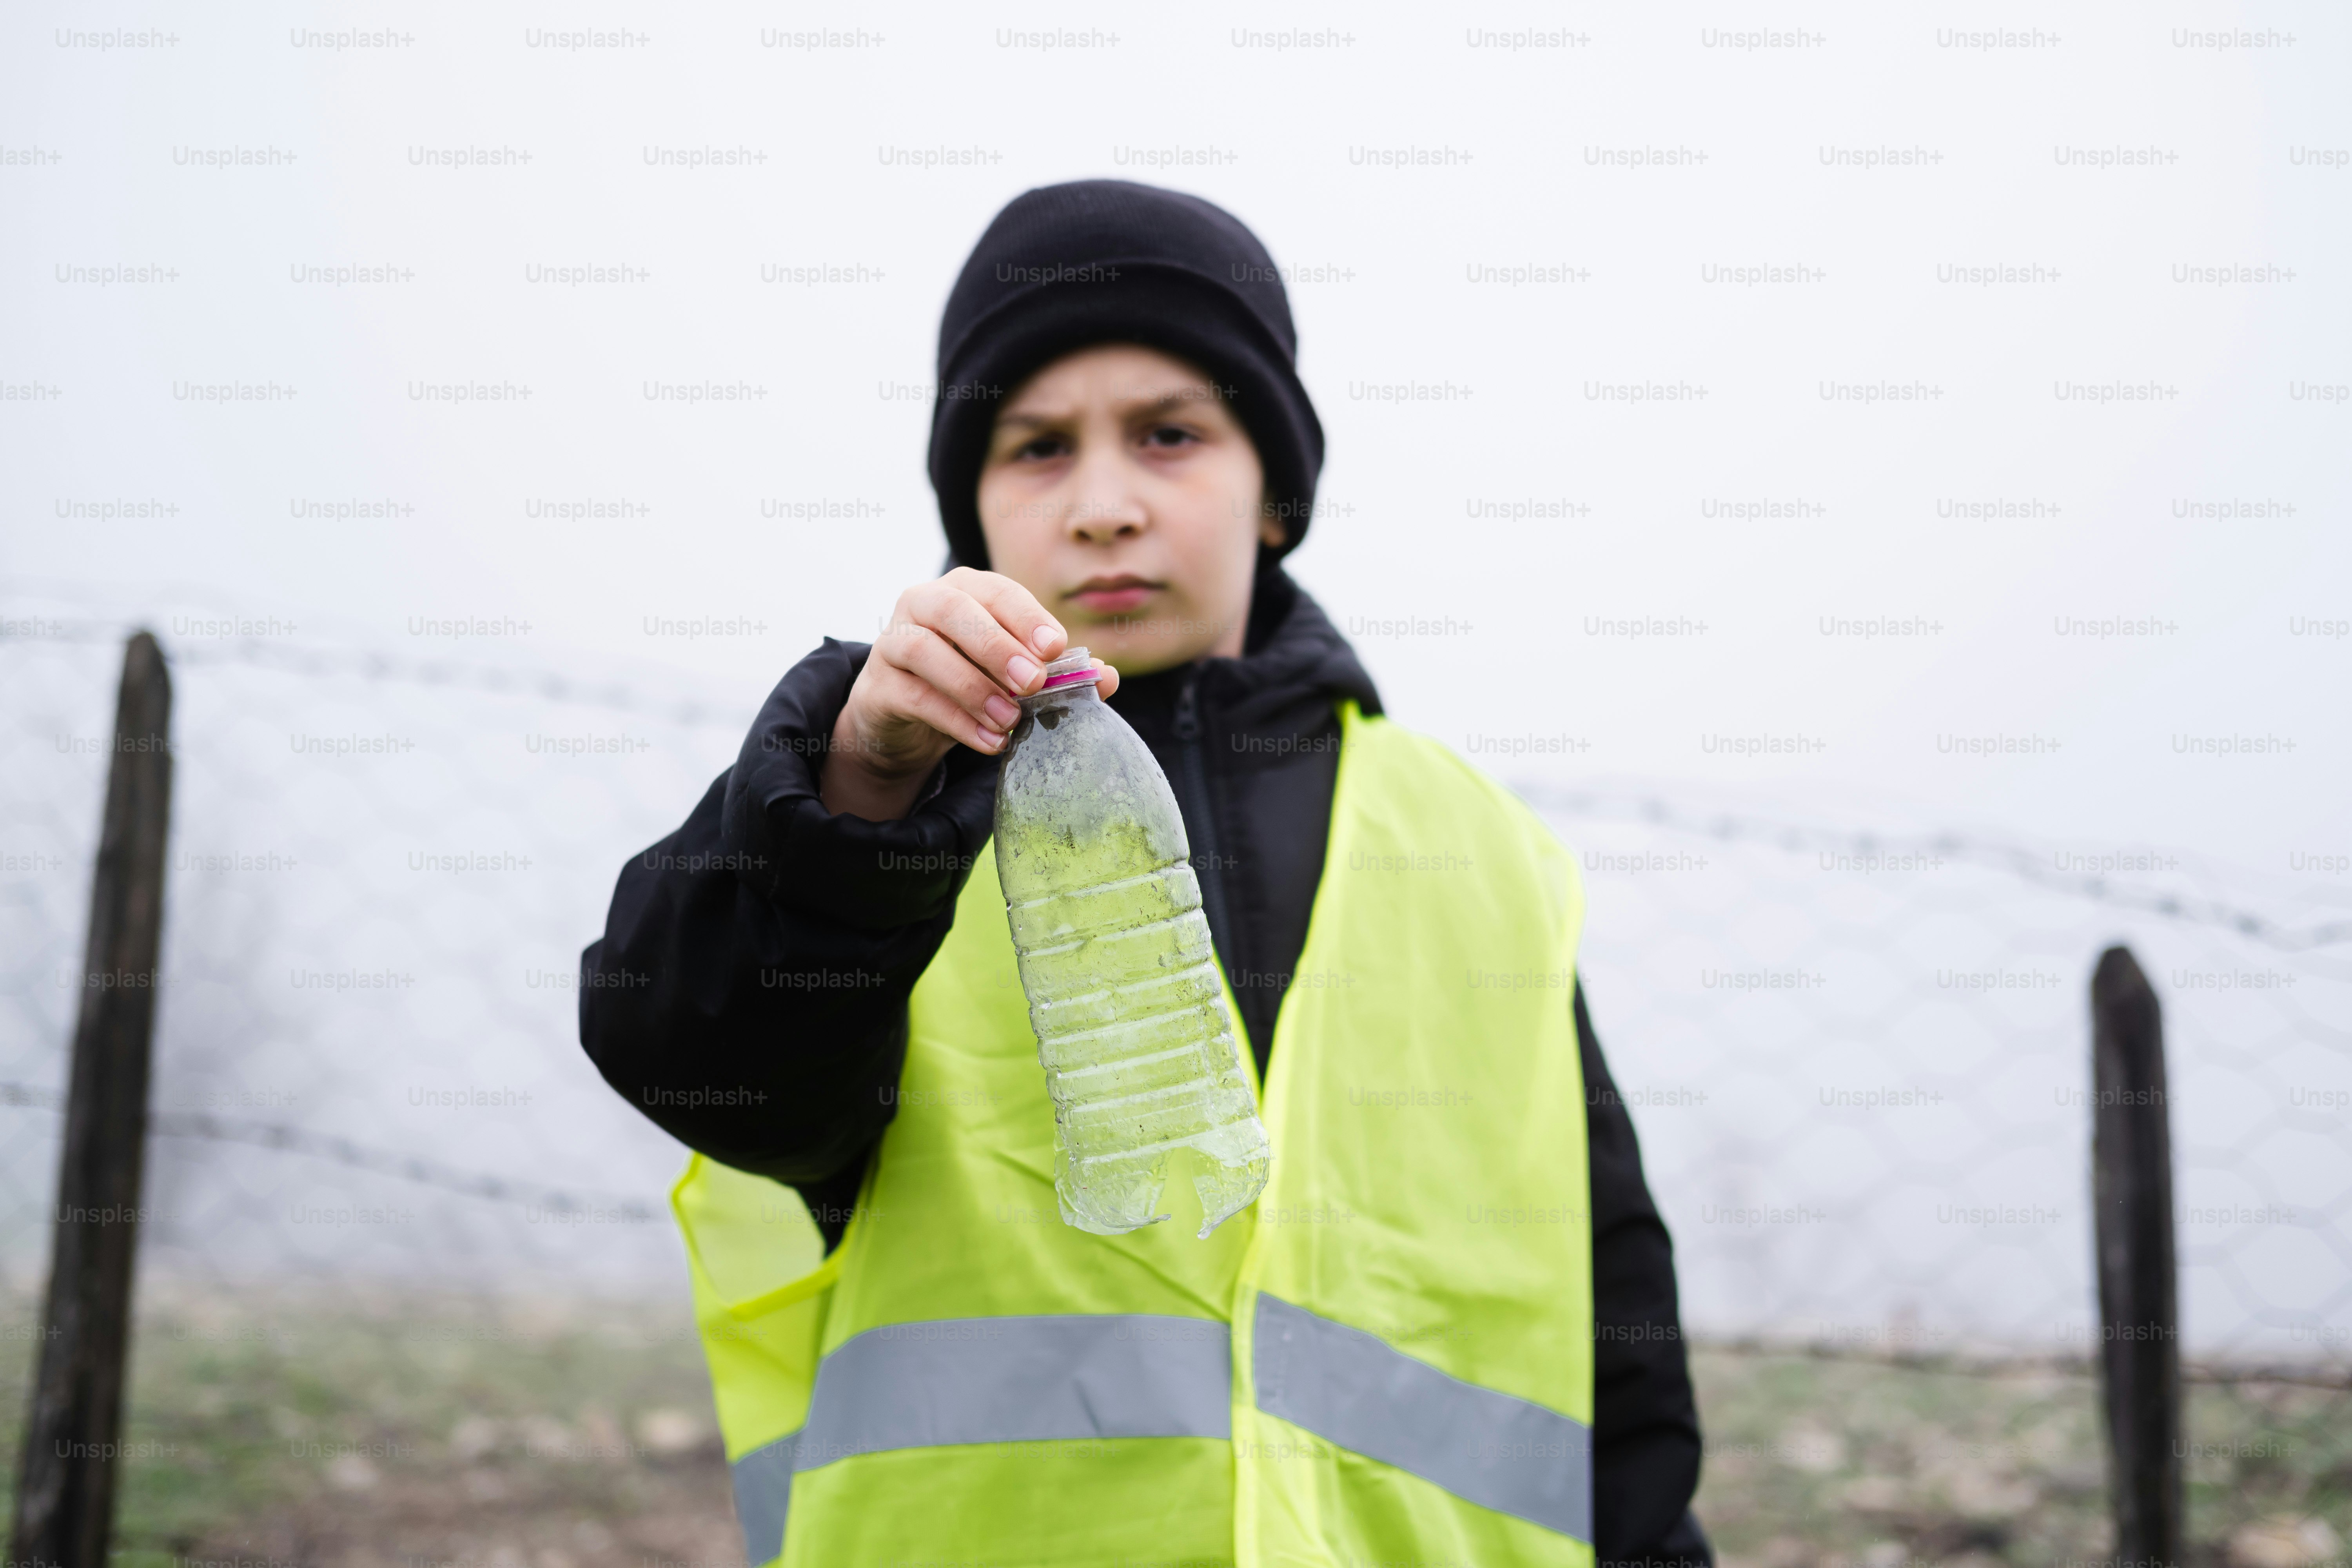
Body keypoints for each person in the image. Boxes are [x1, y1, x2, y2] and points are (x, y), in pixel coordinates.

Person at [580, 179, 1711, 1568]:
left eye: (1171, 434)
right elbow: (701, 1056)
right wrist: (858, 786)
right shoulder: (879, 810)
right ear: (973, 512)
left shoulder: (1474, 844)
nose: (1106, 505)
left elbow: (1616, 1322)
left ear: (1276, 494)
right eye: (1038, 448)